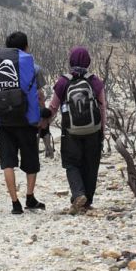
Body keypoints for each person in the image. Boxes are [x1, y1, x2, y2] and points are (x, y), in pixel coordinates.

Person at [43, 47, 107, 215]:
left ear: (71, 60)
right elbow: (102, 110)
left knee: (71, 163)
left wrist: (43, 124)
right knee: (91, 165)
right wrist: (102, 131)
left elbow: (53, 107)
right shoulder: (95, 81)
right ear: (88, 61)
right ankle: (87, 203)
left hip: (70, 131)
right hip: (93, 130)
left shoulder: (63, 81)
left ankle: (78, 194)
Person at [0, 32, 46, 214]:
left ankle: (15, 203)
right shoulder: (35, 68)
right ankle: (30, 197)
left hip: (5, 121)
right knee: (30, 160)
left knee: (8, 162)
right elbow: (39, 95)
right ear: (26, 47)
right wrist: (43, 117)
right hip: (27, 121)